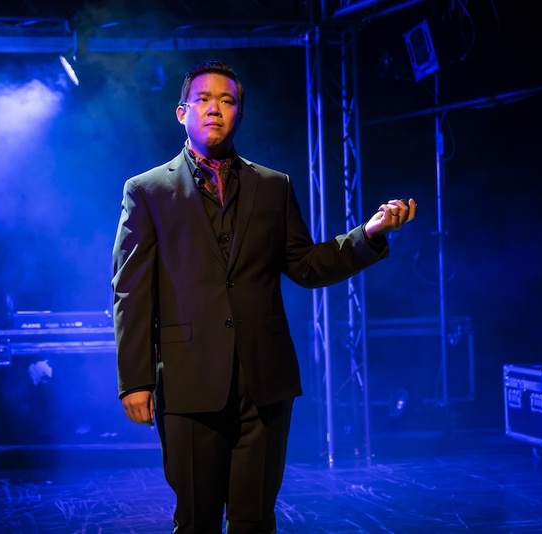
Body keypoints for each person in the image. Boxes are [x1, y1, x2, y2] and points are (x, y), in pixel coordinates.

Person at [112, 60, 416, 533]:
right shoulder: (148, 191)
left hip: (264, 381)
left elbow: (307, 265)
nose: (216, 109)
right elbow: (130, 291)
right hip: (189, 380)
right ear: (182, 112)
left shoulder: (273, 186)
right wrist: (135, 380)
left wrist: (369, 234)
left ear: (239, 113)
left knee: (255, 519)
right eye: (204, 100)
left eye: (228, 101)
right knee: (197, 520)